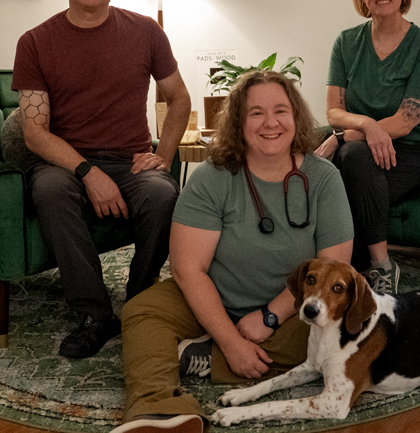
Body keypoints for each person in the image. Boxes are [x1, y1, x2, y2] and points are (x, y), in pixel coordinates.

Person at [112, 70, 354, 433]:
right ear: (238, 122)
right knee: (141, 313)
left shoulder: (324, 179)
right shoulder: (212, 176)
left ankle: (202, 358)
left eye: (280, 111)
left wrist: (269, 317)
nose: (269, 122)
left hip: (292, 311)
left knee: (345, 334)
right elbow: (189, 269)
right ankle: (158, 411)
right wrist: (230, 339)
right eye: (255, 113)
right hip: (214, 297)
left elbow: (334, 269)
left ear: (296, 117)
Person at [12, 0, 191, 359]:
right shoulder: (35, 42)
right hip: (65, 163)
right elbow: (35, 132)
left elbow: (179, 97)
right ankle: (94, 314)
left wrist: (162, 155)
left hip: (131, 160)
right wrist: (87, 173)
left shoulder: (146, 32)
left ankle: (139, 300)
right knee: (49, 191)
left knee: (163, 194)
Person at [315, 0, 420, 295]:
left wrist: (345, 137)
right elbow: (333, 111)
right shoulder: (346, 42)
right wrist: (366, 128)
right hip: (359, 146)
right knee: (348, 162)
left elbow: (405, 121)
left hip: (413, 150)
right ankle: (347, 269)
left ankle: (380, 267)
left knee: (350, 160)